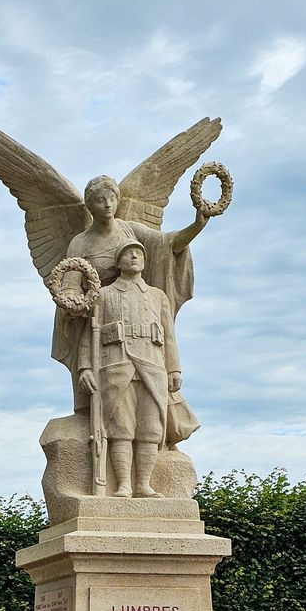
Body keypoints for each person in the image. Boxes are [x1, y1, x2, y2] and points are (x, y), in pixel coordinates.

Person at [52, 176, 208, 405]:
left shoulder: (129, 230)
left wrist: (197, 226)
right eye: (100, 200)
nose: (108, 205)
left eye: (112, 199)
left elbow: (167, 244)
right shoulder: (80, 242)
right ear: (90, 206)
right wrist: (74, 302)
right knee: (101, 396)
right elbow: (71, 283)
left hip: (136, 311)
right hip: (98, 314)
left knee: (153, 399)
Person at [76, 241, 178, 498]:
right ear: (118, 262)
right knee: (120, 428)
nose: (134, 256)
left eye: (139, 253)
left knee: (150, 429)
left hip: (152, 365)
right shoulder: (104, 294)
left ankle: (143, 484)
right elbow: (88, 334)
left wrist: (174, 369)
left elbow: (169, 335)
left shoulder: (157, 296)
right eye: (128, 253)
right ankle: (123, 484)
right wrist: (85, 367)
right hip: (117, 365)